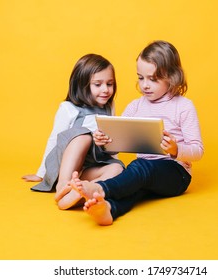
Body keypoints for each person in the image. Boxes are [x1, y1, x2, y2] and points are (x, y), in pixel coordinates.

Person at [70, 40, 204, 225]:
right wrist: (104, 142)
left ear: (172, 77)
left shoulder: (183, 106)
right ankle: (108, 210)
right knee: (135, 185)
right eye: (141, 78)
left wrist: (175, 149)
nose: (145, 85)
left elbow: (198, 150)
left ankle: (101, 189)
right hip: (145, 171)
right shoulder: (135, 106)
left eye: (153, 79)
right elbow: (116, 145)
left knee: (140, 168)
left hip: (177, 175)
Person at [22, 54, 124, 210]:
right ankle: (63, 186)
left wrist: (112, 155)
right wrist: (41, 174)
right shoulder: (69, 108)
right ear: (82, 85)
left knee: (118, 168)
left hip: (87, 170)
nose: (105, 89)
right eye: (98, 84)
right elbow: (54, 140)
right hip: (67, 169)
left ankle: (84, 192)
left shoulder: (109, 107)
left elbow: (111, 140)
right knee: (84, 137)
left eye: (110, 84)